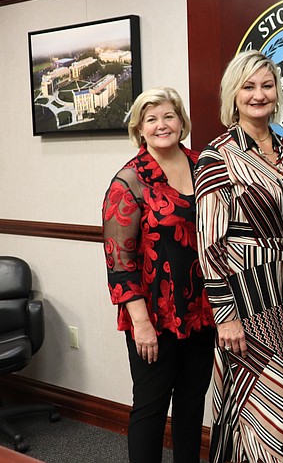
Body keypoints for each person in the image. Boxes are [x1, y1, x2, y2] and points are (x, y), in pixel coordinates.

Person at [194, 50, 283, 463]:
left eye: (267, 86)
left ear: (278, 93)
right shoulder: (216, 156)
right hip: (245, 294)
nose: (259, 94)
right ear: (232, 95)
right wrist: (225, 315)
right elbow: (209, 245)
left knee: (277, 391)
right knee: (256, 396)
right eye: (248, 86)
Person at [102, 86, 215, 463]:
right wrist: (141, 323)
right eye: (151, 119)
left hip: (202, 310)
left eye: (169, 116)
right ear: (140, 128)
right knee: (150, 407)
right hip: (153, 314)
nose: (161, 125)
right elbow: (119, 261)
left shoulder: (204, 165)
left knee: (191, 403)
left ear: (181, 122)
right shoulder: (129, 180)